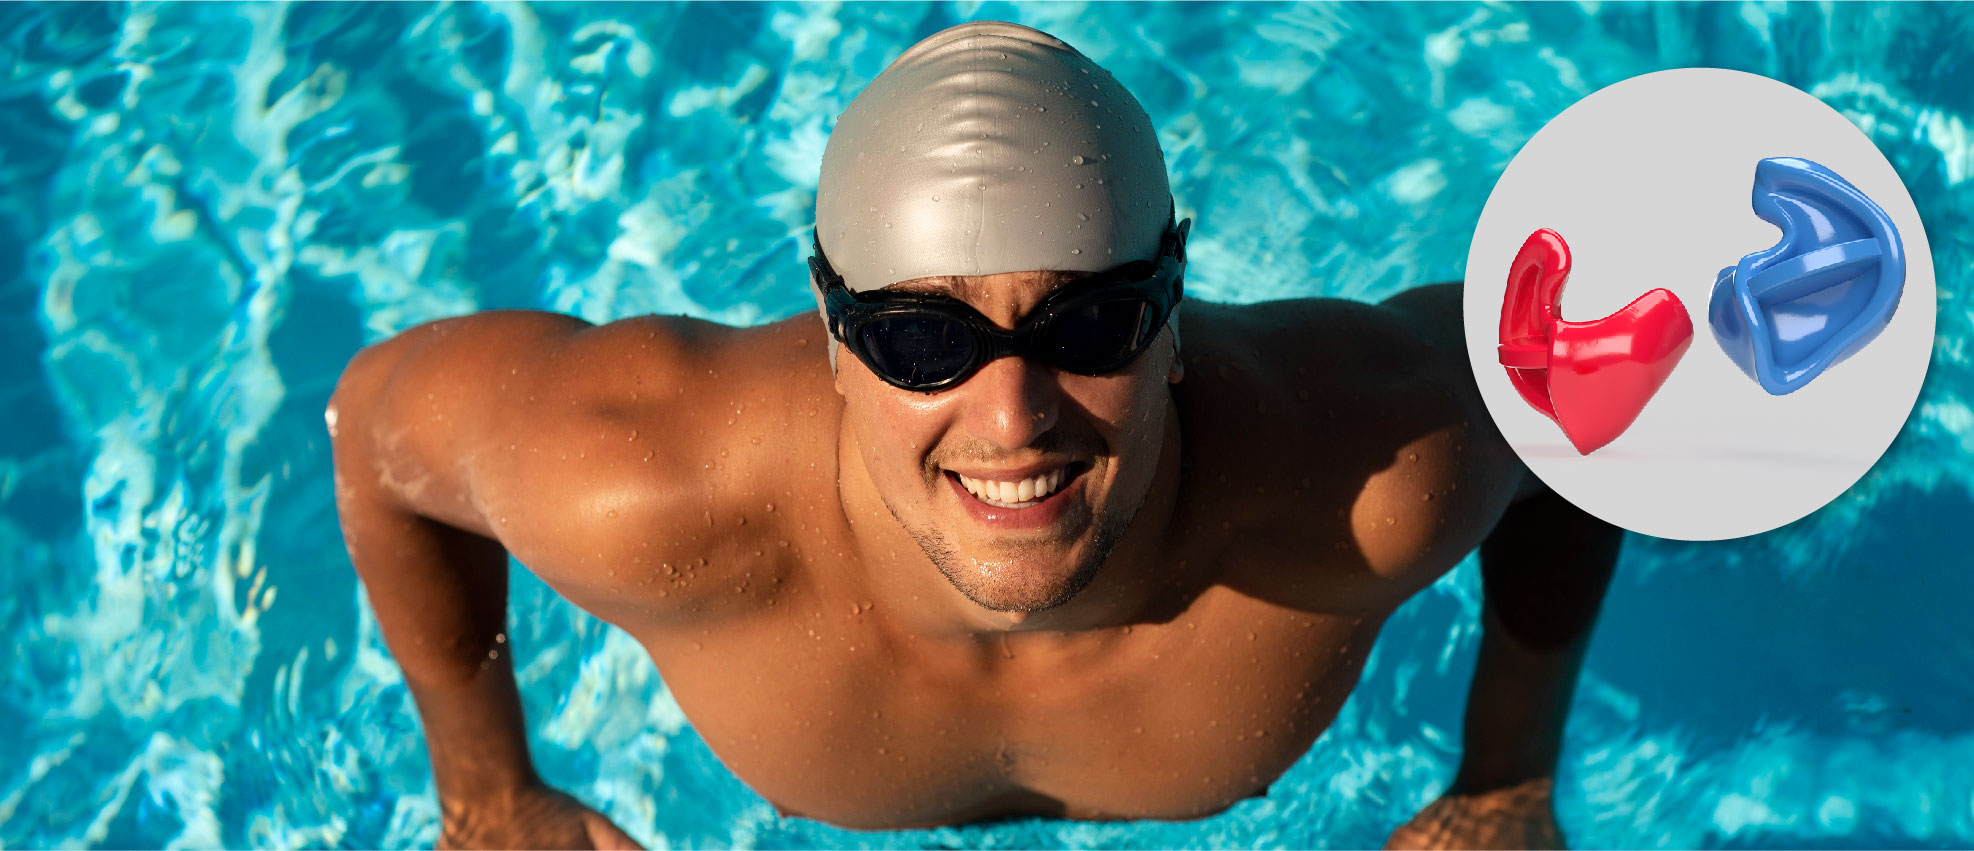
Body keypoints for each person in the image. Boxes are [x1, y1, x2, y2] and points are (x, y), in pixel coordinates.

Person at [328, 20, 1620, 850]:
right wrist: (490, 792)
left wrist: (1505, 776)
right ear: (834, 332)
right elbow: (374, 427)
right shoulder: (646, 488)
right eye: (922, 342)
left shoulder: (1370, 470)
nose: (1013, 419)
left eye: (1093, 323)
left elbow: (1576, 446)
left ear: (1174, 313)